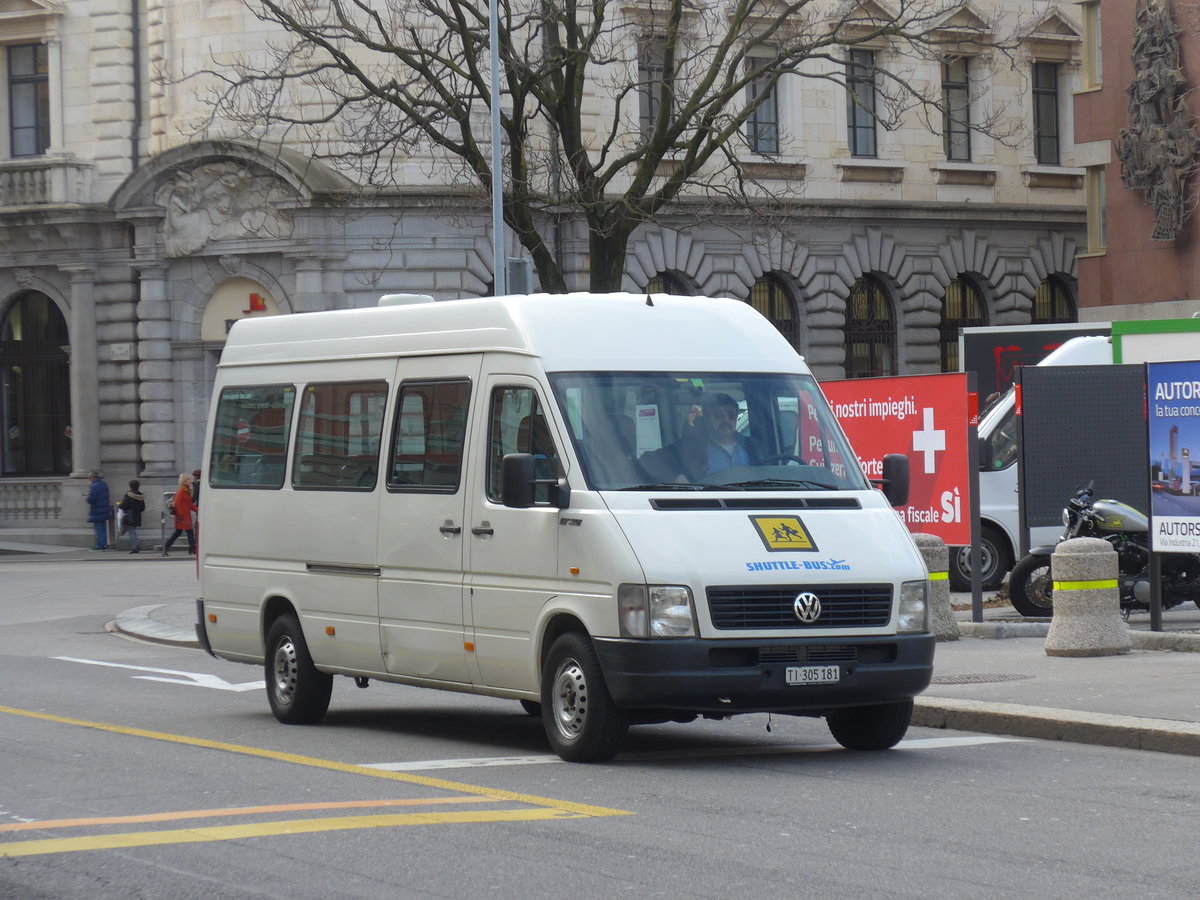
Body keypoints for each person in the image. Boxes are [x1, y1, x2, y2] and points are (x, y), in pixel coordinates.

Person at [162, 473, 197, 556]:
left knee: (180, 532)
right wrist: (180, 515)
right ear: (185, 481)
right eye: (189, 479)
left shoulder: (186, 490)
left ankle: (166, 547)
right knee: (187, 532)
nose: (191, 481)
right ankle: (191, 549)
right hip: (182, 516)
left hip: (185, 515)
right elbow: (177, 503)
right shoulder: (181, 490)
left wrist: (199, 510)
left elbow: (190, 504)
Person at [84, 471, 112, 551]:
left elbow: (91, 499)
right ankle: (104, 544)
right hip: (104, 509)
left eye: (89, 478)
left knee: (98, 529)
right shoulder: (104, 484)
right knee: (103, 528)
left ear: (92, 478)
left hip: (97, 509)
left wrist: (88, 496)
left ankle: (99, 545)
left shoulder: (94, 486)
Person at [116, 480, 146, 553]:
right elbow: (143, 507)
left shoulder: (128, 495)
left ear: (130, 487)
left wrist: (119, 505)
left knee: (130, 531)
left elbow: (123, 505)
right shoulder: (140, 495)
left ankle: (135, 547)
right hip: (136, 516)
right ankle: (135, 545)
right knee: (129, 530)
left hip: (129, 516)